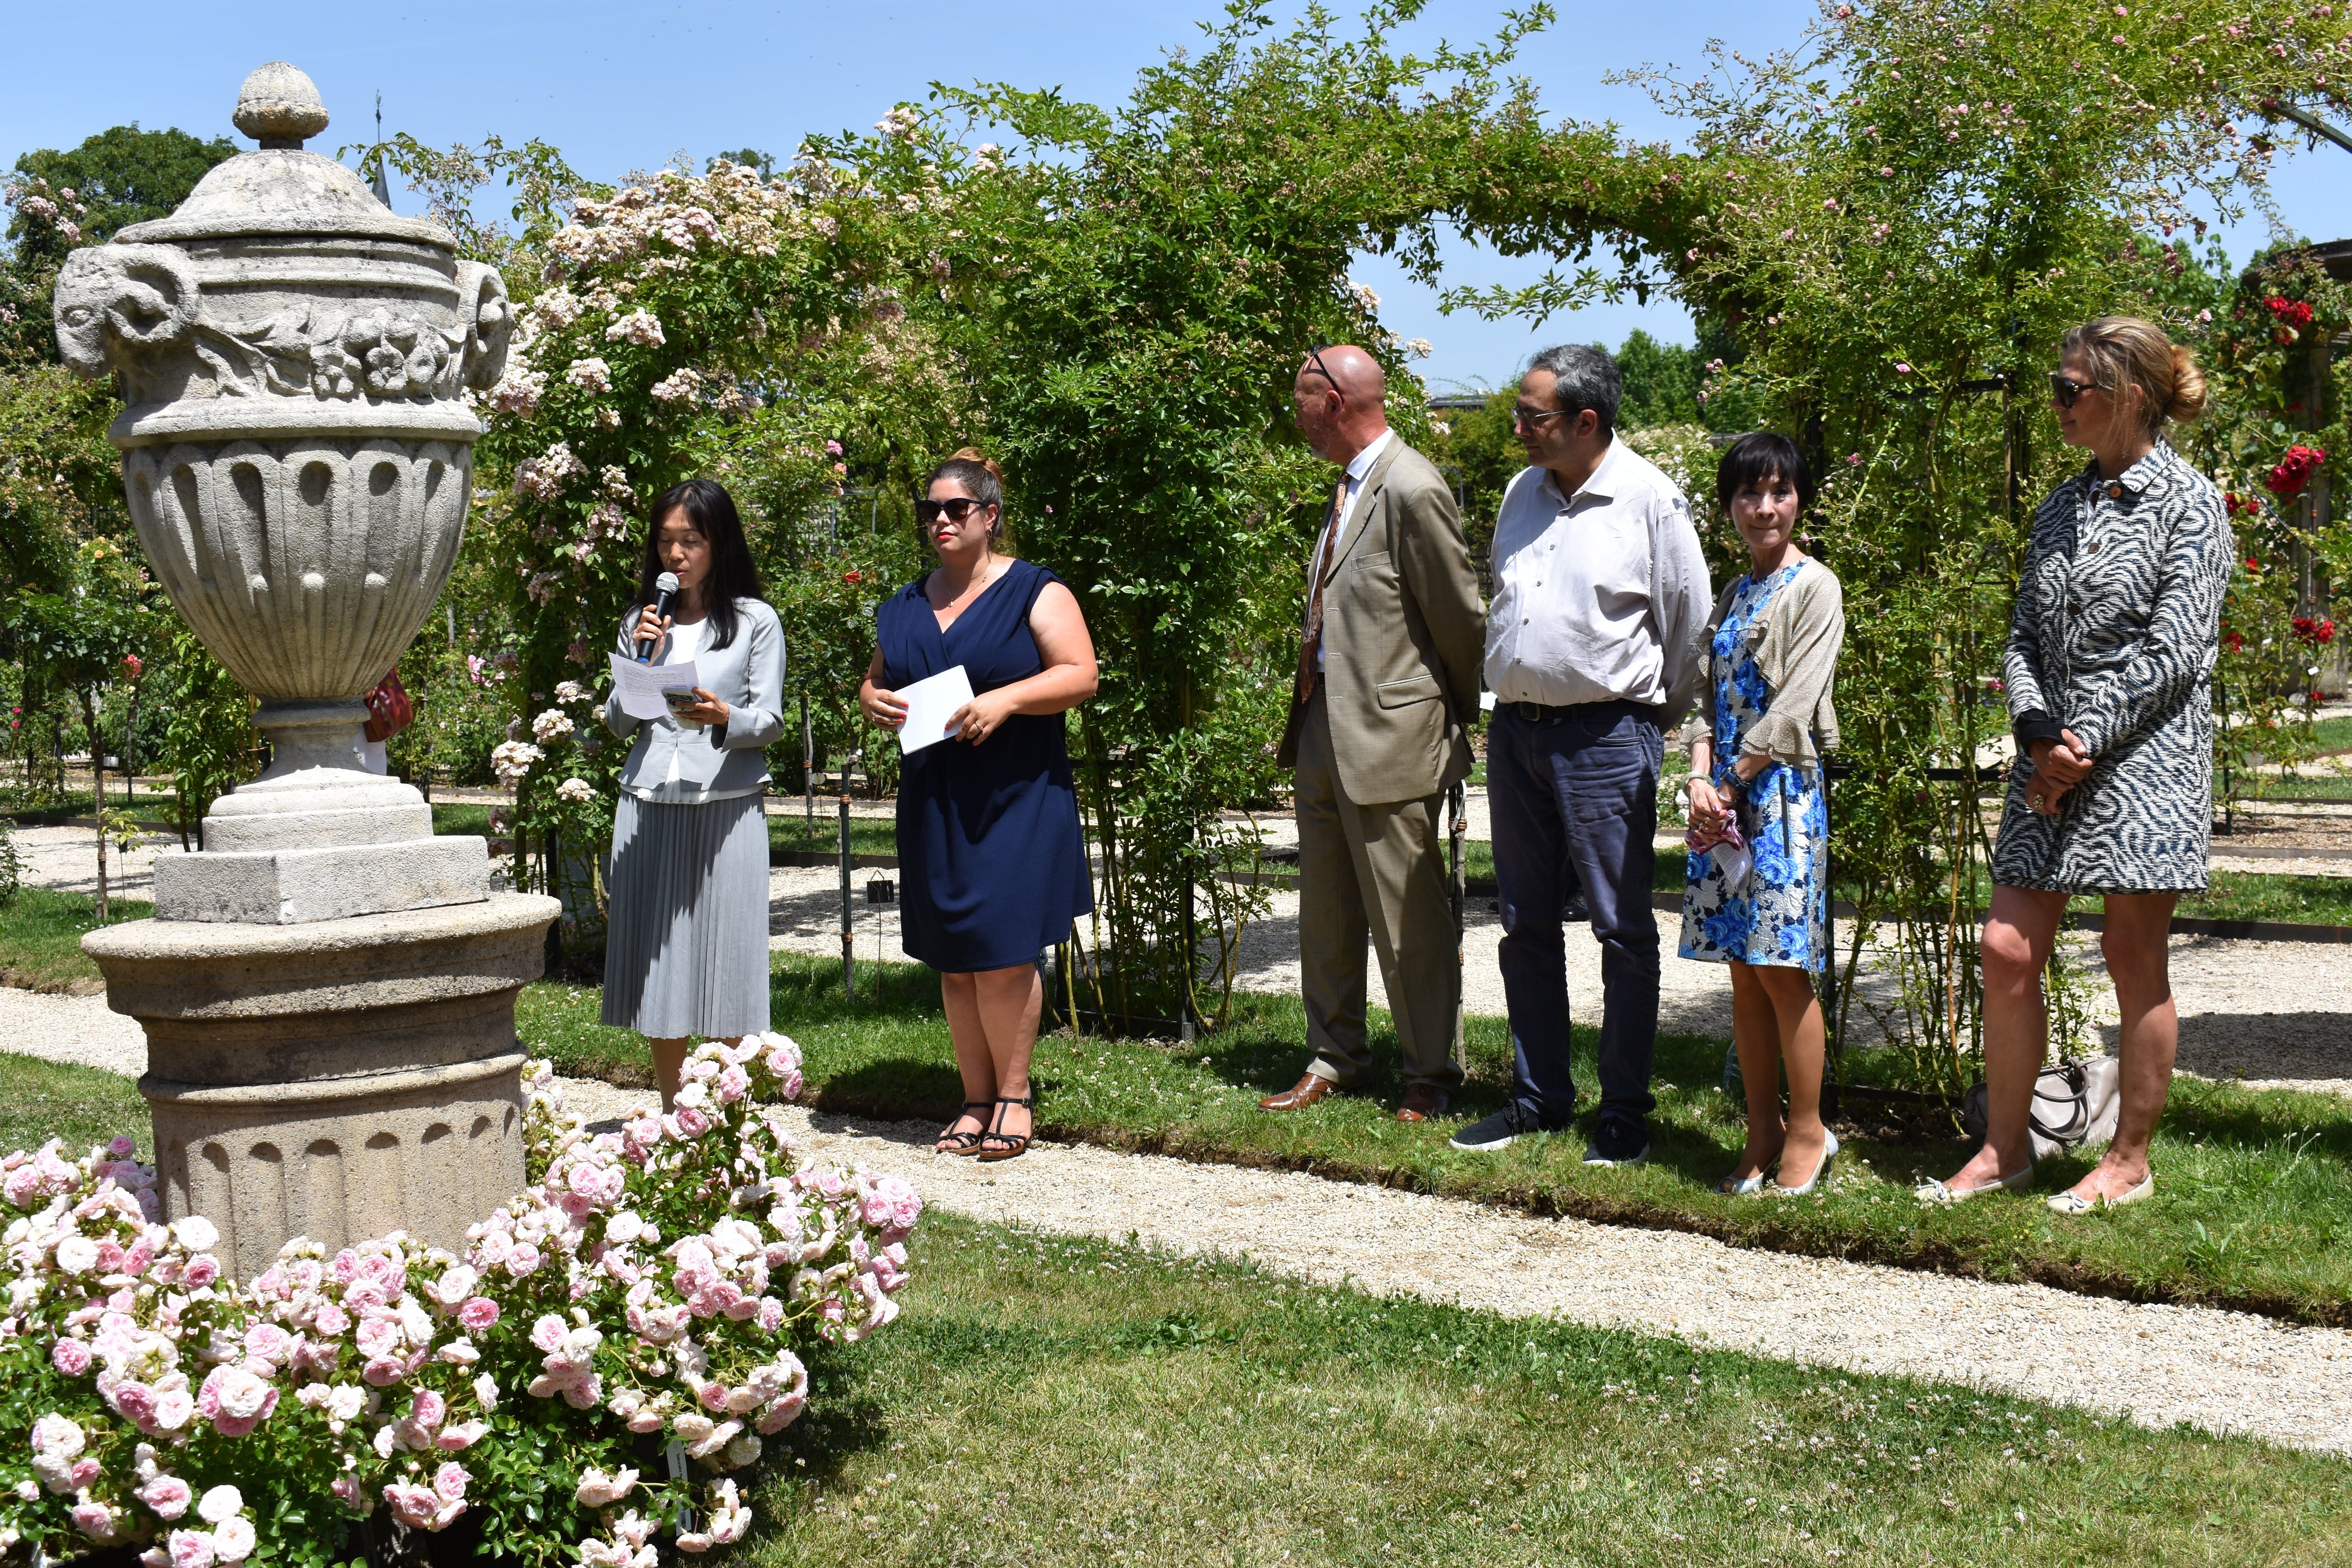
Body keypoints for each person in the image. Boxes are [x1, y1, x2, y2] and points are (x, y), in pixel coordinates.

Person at [1922, 318, 2226, 1212]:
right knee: (2005, 946)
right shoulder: (2060, 505)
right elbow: (2023, 636)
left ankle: (2128, 1163)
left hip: (2144, 756)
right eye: (2056, 388)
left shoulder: (2190, 503)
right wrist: (2035, 728)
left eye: (2070, 390)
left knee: (2133, 954)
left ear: (2129, 394)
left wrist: (2081, 742)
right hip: (2048, 750)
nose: (2056, 403)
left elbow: (2176, 650)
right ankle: (2005, 1150)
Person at [1451, 344, 1712, 1162]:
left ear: (1586, 421)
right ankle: (1537, 1098)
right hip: (1518, 735)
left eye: (1533, 416)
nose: (1518, 429)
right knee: (1524, 922)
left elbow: (1690, 634)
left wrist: (1648, 724)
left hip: (1607, 738)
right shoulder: (1519, 494)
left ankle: (1623, 1112)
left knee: (1621, 930)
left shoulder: (1651, 500)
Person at [1258, 345, 1486, 1124]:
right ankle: (1335, 1054)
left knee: (1408, 917)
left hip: (1393, 736)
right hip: (1323, 728)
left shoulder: (1413, 487)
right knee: (1325, 909)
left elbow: (1459, 619)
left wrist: (1450, 715)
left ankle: (1429, 1071)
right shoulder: (1349, 486)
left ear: (1337, 399)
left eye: (1301, 397)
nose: (1295, 412)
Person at [859, 449, 1097, 1162]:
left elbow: (1080, 674)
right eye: (929, 510)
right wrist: (871, 698)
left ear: (989, 516)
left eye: (955, 509)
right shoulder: (904, 603)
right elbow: (876, 680)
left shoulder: (1034, 590)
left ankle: (1014, 1096)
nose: (940, 520)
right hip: (934, 800)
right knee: (955, 959)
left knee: (1001, 953)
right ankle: (973, 1097)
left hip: (1014, 797)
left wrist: (1006, 699)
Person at [1678, 434, 1846, 1196]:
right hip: (1724, 804)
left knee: (1782, 970)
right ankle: (1760, 1131)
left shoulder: (1815, 587)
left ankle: (1810, 1131)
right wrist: (1697, 779)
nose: (1765, 507)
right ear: (1728, 507)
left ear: (1800, 498)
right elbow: (1706, 695)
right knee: (1742, 972)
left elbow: (1794, 706)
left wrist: (1733, 780)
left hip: (1779, 802)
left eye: (1779, 491)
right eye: (1749, 494)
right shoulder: (1734, 589)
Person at [601, 479, 787, 1108]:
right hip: (649, 798)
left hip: (727, 804)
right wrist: (645, 666)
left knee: (728, 953)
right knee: (664, 960)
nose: (675, 555)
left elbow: (771, 719)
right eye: (665, 542)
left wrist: (723, 715)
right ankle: (672, 1108)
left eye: (690, 541)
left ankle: (725, 1109)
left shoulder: (756, 622)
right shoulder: (641, 623)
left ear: (719, 543)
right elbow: (617, 723)